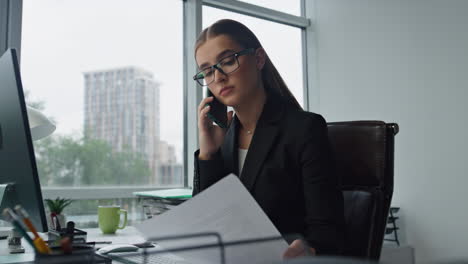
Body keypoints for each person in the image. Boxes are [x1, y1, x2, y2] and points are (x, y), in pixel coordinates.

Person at [192, 19, 344, 258]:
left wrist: (310, 248)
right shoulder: (225, 138)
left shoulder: (304, 129)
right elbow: (208, 225)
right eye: (208, 70)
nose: (218, 77)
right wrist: (208, 155)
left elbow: (327, 231)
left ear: (259, 59)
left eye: (228, 61)